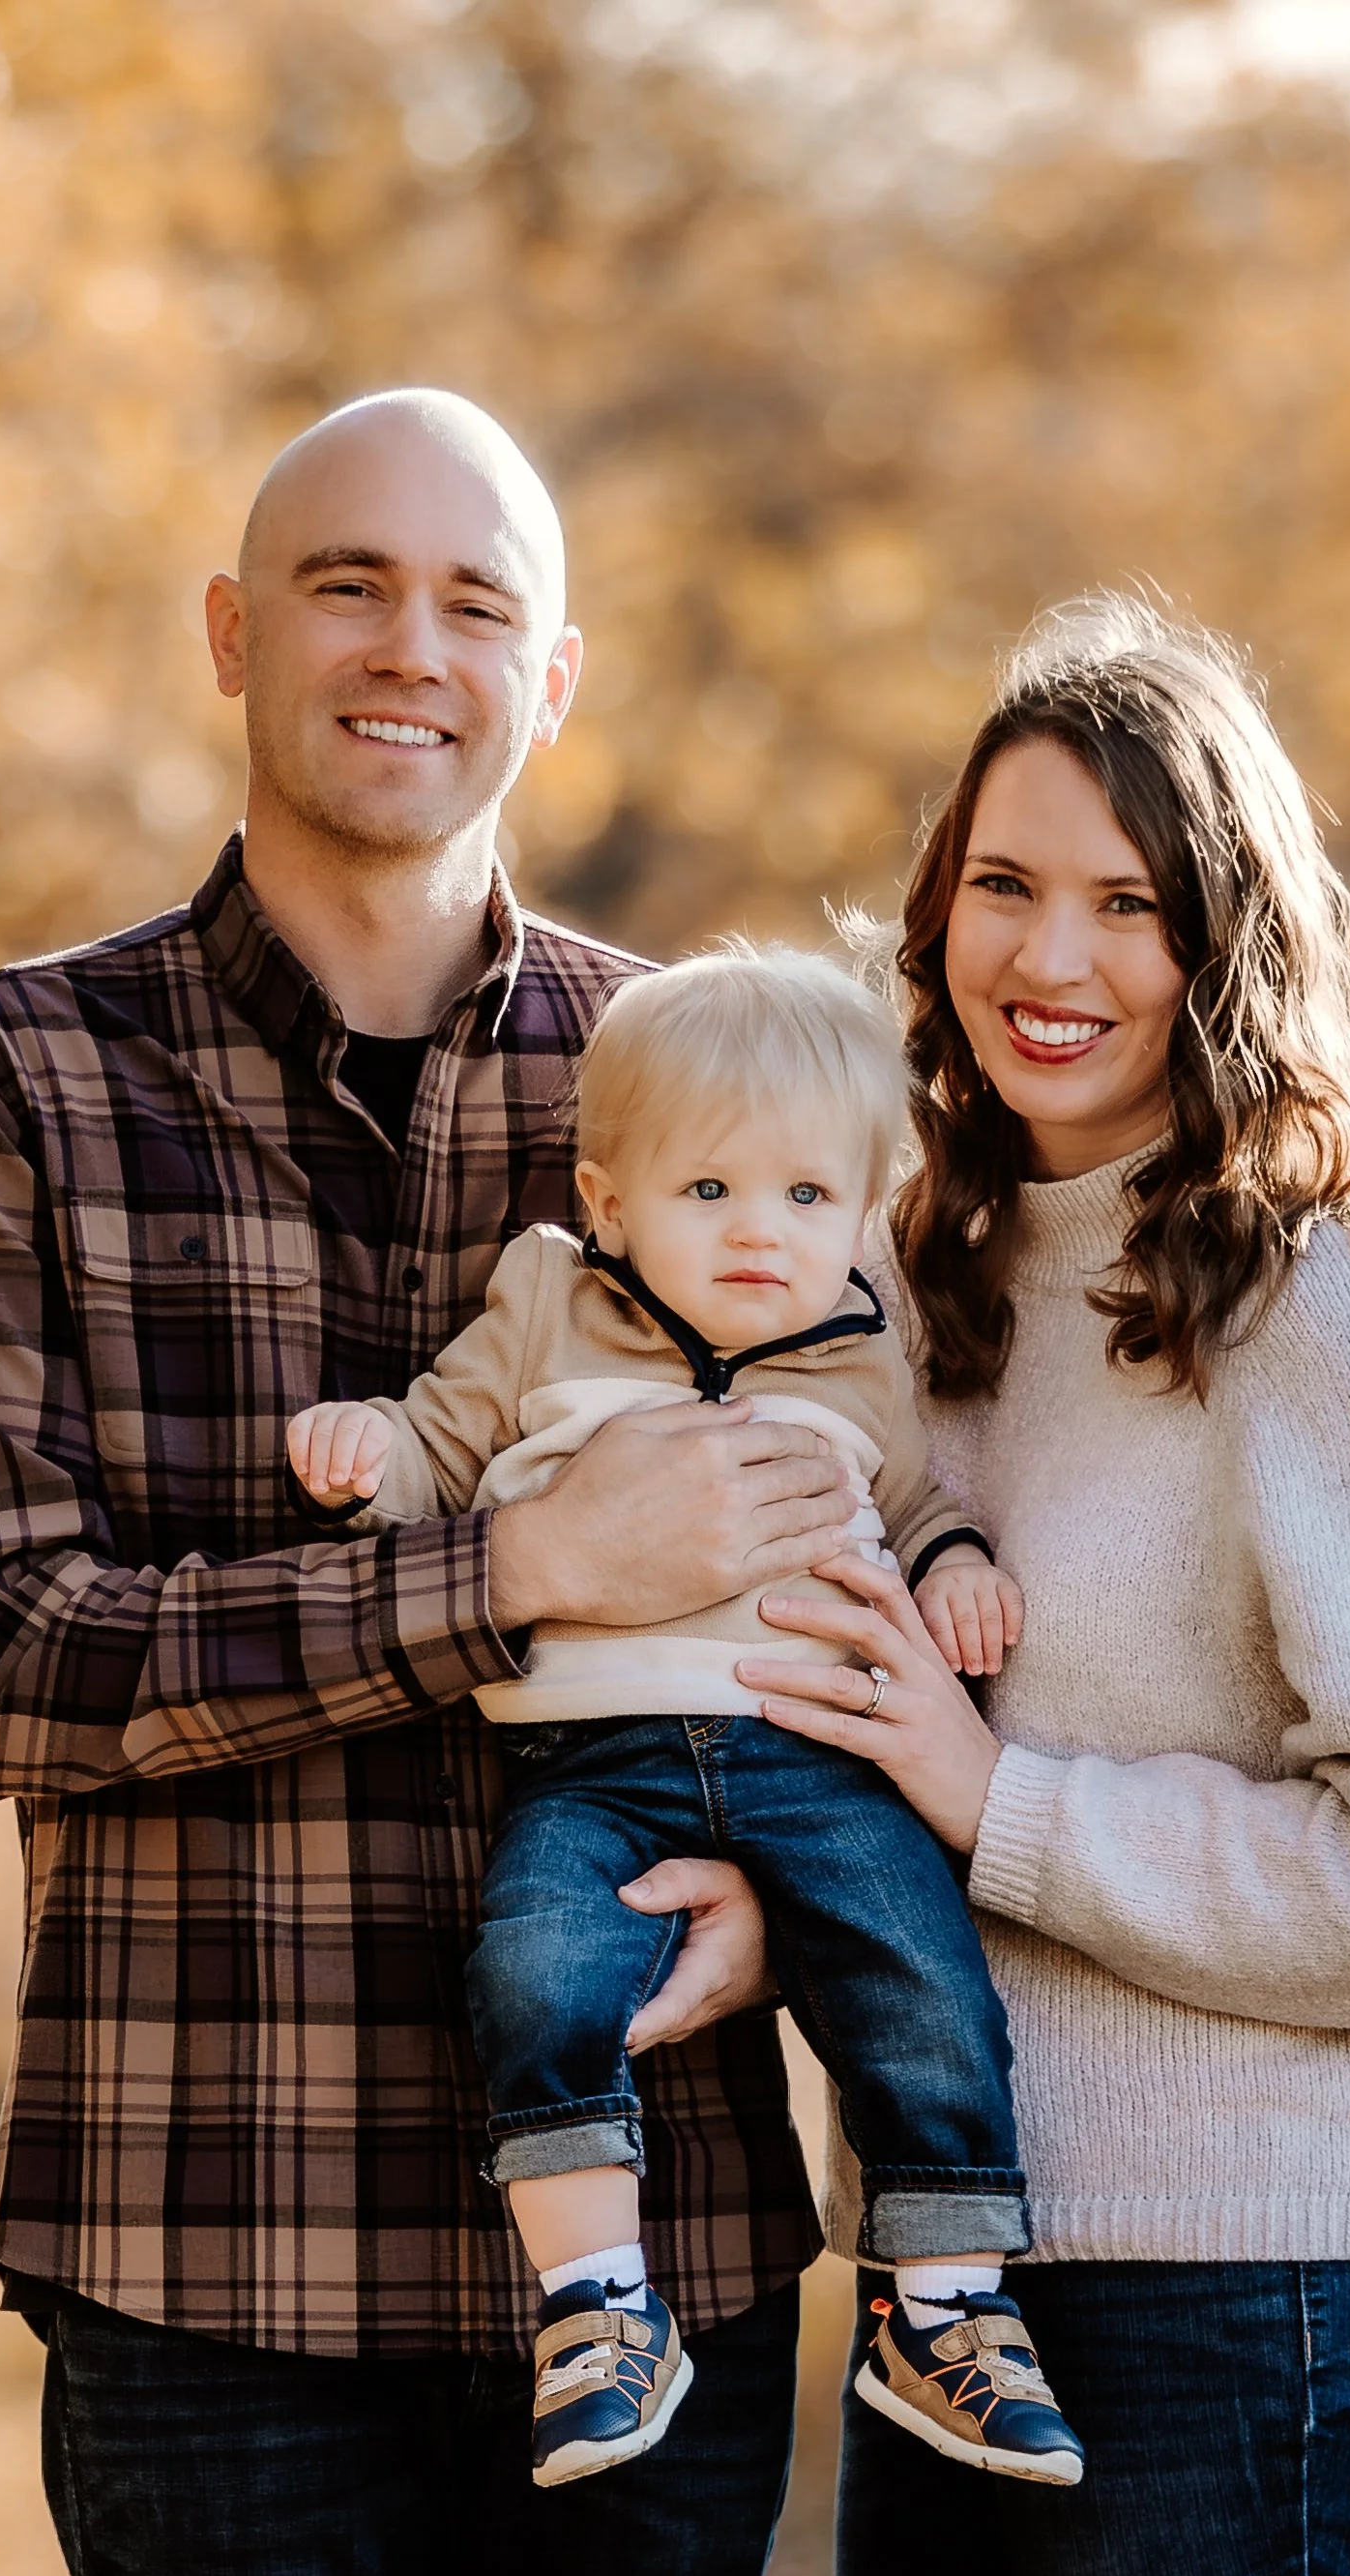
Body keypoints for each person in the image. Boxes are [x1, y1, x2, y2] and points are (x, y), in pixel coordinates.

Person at [0, 389, 862, 2576]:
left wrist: (795, 1881)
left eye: (477, 603)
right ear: (233, 631)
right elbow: (3, 1659)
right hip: (212, 2269)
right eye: (347, 583)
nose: (413, 648)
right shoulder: (19, 1081)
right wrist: (507, 1576)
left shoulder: (708, 1093)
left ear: (560, 679)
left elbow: (896, 1563)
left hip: (670, 2267)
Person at [730, 596, 1350, 2576]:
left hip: (1266, 2314)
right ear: (937, 912)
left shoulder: (1302, 1280)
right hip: (955, 2291)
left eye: (1133, 903)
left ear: (1222, 941)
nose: (1058, 954)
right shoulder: (916, 1269)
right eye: (1009, 885)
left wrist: (1002, 1803)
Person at [285, 945, 1083, 2490]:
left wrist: (962, 1563)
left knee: (916, 1966)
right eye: (706, 1190)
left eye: (802, 1198)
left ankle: (945, 2310)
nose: (756, 1234)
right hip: (591, 1761)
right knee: (536, 1966)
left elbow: (915, 1501)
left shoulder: (860, 1347)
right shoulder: (546, 1303)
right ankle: (596, 2304)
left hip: (813, 1757)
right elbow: (441, 1447)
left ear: (859, 1218)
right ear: (610, 1197)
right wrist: (364, 1452)